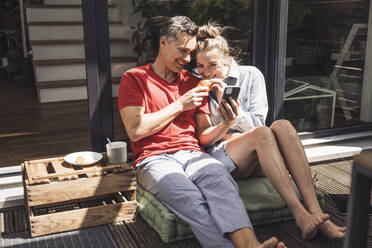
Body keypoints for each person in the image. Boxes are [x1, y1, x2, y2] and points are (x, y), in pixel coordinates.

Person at [118, 16, 286, 248]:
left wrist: (226, 123)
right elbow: (136, 131)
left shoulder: (192, 81)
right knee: (193, 200)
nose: (187, 59)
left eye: (191, 53)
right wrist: (179, 105)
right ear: (163, 42)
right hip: (154, 158)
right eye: (182, 51)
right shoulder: (135, 79)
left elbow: (204, 135)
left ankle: (251, 246)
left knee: (223, 184)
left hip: (193, 153)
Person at [194, 22, 347, 240]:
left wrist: (232, 113)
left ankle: (318, 214)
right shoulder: (198, 87)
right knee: (264, 134)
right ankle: (299, 214)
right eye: (200, 66)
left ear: (227, 58)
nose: (206, 73)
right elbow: (206, 139)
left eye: (212, 65)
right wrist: (227, 126)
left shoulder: (252, 75)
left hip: (258, 151)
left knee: (282, 125)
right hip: (225, 159)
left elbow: (258, 123)